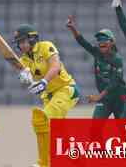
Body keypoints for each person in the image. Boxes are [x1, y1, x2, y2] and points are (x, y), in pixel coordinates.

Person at [15, 24, 80, 167]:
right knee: (56, 134)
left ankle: (43, 163)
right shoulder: (24, 59)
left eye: (23, 41)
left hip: (66, 90)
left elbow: (55, 66)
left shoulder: (45, 46)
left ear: (32, 39)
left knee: (41, 118)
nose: (21, 45)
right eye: (19, 43)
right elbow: (25, 75)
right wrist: (24, 78)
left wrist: (44, 82)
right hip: (49, 97)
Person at [66, 15, 126, 119]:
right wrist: (73, 28)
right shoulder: (97, 53)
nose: (101, 42)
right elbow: (83, 42)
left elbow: (115, 82)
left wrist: (99, 96)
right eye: (99, 40)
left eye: (104, 39)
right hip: (105, 99)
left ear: (112, 42)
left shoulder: (117, 59)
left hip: (119, 98)